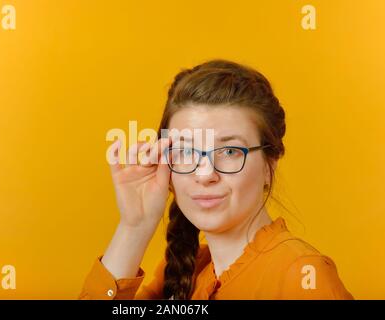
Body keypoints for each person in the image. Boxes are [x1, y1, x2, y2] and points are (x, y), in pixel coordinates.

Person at [78, 60, 354, 300]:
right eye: (185, 151)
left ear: (269, 164)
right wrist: (134, 227)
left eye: (229, 151)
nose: (205, 173)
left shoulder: (303, 276)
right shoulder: (182, 271)